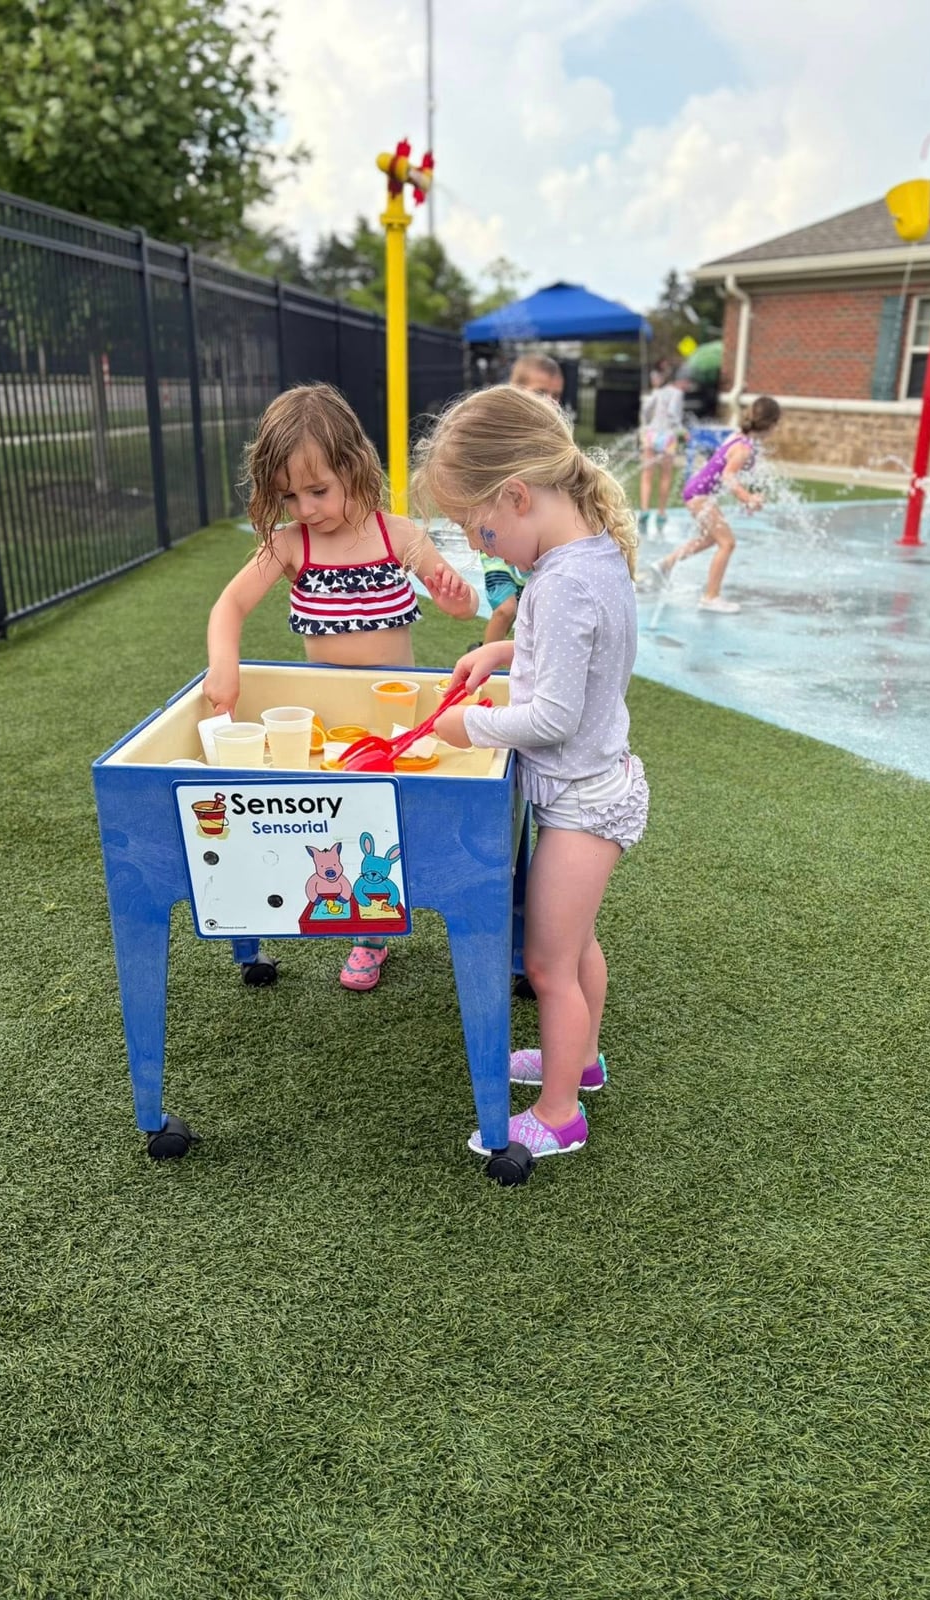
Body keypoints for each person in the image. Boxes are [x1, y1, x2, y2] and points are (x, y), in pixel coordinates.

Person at [414, 384, 649, 1162]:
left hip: (584, 802)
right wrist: (501, 651)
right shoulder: (589, 557)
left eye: (479, 529)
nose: (480, 550)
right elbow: (575, 660)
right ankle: (578, 1063)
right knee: (576, 946)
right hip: (596, 788)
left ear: (516, 496)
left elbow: (549, 718)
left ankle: (559, 1116)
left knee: (549, 962)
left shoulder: (558, 583)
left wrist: (466, 725)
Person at [205, 382, 479, 991]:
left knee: (395, 817)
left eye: (318, 490)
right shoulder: (291, 544)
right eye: (289, 495)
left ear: (355, 466)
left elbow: (457, 607)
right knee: (340, 821)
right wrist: (224, 662)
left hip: (394, 711)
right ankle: (368, 932)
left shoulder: (398, 535)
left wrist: (456, 597)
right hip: (332, 722)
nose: (304, 508)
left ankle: (410, 908)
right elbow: (229, 605)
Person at [651, 395, 782, 614]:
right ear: (770, 424)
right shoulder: (744, 448)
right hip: (699, 495)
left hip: (696, 492)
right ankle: (710, 597)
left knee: (711, 539)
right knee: (727, 543)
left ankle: (666, 564)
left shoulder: (738, 438)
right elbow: (728, 476)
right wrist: (747, 498)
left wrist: (745, 499)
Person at [476, 354, 566, 646]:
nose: (550, 402)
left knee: (534, 612)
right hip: (498, 540)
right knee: (506, 609)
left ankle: (523, 668)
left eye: (556, 395)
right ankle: (485, 662)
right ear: (515, 388)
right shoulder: (500, 435)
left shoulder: (555, 440)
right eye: (541, 393)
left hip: (532, 546)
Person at [637, 364, 686, 537]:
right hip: (668, 437)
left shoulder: (655, 393)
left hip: (652, 435)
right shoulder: (677, 394)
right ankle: (661, 512)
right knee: (665, 476)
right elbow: (673, 414)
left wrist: (646, 423)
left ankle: (644, 510)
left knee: (646, 475)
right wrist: (682, 430)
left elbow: (645, 411)